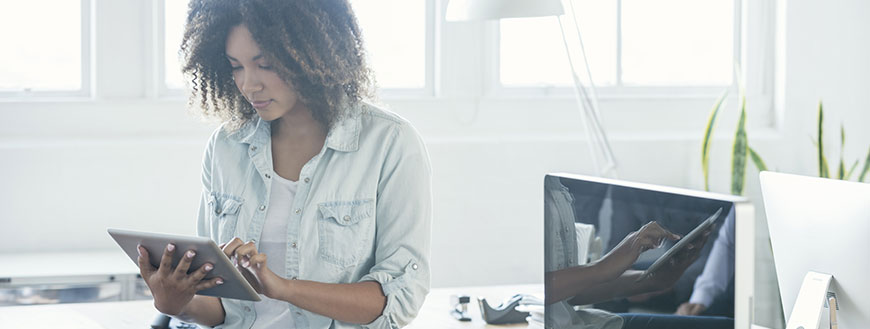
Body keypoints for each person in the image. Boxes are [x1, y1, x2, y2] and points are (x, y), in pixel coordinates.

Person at [135, 1, 432, 328]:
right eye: (236, 66)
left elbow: (399, 298)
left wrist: (285, 288)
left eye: (265, 65)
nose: (249, 84)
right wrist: (176, 303)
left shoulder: (390, 143)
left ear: (313, 54)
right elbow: (222, 307)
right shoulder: (226, 145)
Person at [544, 177, 732, 329]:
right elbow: (545, 289)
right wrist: (602, 268)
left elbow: (572, 291)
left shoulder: (555, 186)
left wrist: (653, 280)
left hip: (568, 314)